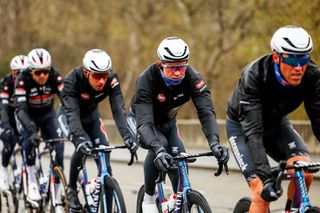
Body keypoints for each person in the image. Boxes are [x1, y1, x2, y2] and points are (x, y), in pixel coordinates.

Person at [126, 36, 229, 212]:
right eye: (173, 67)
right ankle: (149, 199)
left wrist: (214, 142)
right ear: (161, 64)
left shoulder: (193, 78)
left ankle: (178, 201)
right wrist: (158, 150)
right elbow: (145, 123)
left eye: (182, 66)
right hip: (141, 123)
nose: (178, 72)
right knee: (161, 146)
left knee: (179, 157)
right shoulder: (146, 80)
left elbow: (206, 112)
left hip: (168, 124)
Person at [226, 25, 320, 213]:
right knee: (262, 193)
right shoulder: (254, 76)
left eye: (304, 58)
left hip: (276, 124)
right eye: (292, 59)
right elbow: (253, 133)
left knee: (305, 172)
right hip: (243, 128)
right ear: (276, 56)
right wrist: (266, 178)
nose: (299, 67)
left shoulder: (312, 75)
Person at [57, 48, 138, 211]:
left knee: (105, 155)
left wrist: (128, 137)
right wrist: (79, 138)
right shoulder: (72, 80)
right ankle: (72, 188)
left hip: (92, 117)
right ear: (87, 73)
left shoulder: (111, 79)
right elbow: (72, 115)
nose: (102, 81)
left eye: (105, 75)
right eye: (97, 76)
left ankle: (106, 204)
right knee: (83, 146)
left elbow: (118, 111)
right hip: (69, 117)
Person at [14, 48, 65, 202]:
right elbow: (20, 110)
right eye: (38, 72)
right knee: (29, 141)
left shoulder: (55, 76)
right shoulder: (22, 80)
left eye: (45, 71)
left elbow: (67, 101)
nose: (42, 76)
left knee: (59, 145)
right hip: (28, 117)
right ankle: (32, 181)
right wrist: (31, 130)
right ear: (31, 71)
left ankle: (56, 192)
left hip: (48, 115)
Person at [0, 55, 28, 190]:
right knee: (9, 140)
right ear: (13, 72)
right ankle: (4, 170)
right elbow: (3, 109)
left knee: (27, 142)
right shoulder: (5, 83)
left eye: (25, 72)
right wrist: (5, 127)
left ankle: (26, 171)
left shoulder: (29, 83)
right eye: (18, 72)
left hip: (21, 116)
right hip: (6, 116)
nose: (21, 76)